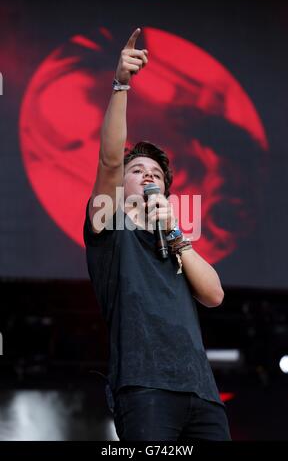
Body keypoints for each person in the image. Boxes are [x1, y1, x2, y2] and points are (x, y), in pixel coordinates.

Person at [83, 28, 231, 441]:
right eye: (138, 172)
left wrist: (177, 233)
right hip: (144, 386)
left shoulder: (175, 235)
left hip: (202, 392)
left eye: (156, 175)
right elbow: (110, 158)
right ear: (122, 184)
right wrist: (121, 85)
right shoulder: (109, 223)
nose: (148, 177)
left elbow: (215, 295)